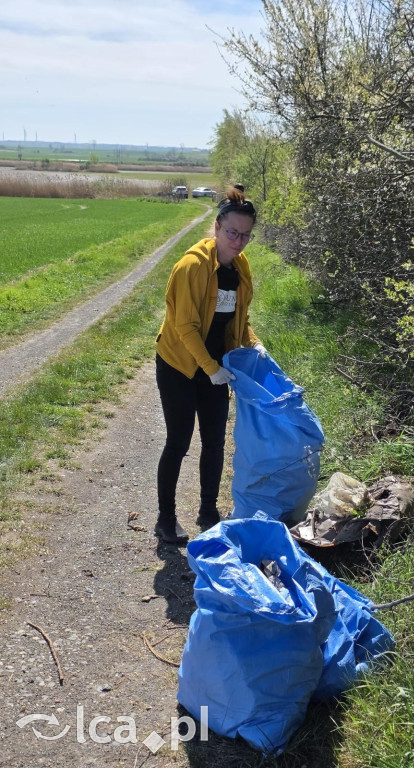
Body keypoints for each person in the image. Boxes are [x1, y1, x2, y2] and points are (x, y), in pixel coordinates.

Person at [154, 187, 266, 544]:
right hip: (180, 365)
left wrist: (254, 344)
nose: (239, 241)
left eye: (246, 234)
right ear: (217, 227)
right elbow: (183, 326)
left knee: (215, 441)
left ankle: (208, 511)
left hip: (216, 367)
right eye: (232, 232)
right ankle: (166, 519)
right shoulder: (191, 266)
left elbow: (239, 318)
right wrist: (210, 368)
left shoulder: (241, 266)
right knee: (179, 440)